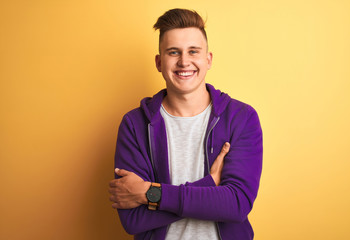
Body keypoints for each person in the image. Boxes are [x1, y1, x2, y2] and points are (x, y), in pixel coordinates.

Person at [108, 8, 263, 240]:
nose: (184, 61)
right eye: (173, 52)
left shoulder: (241, 117)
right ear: (159, 62)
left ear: (208, 59)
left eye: (193, 51)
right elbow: (133, 220)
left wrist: (149, 193)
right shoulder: (135, 124)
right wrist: (209, 185)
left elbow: (237, 204)